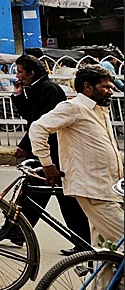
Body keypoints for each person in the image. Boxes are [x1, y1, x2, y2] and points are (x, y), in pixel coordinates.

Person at [29, 64, 124, 251]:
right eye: (105, 87)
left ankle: (102, 281)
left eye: (111, 87)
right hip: (93, 189)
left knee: (106, 247)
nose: (111, 91)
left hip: (109, 187)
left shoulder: (100, 110)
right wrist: (47, 164)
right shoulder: (73, 107)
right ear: (88, 87)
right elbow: (38, 128)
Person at [10, 54, 91, 253]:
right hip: (44, 151)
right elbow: (30, 116)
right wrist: (19, 95)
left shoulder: (49, 90)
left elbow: (40, 123)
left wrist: (25, 145)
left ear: (31, 72)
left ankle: (83, 244)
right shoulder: (36, 89)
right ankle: (15, 233)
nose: (18, 76)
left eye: (21, 72)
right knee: (34, 193)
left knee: (66, 199)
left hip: (54, 153)